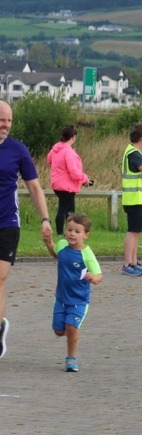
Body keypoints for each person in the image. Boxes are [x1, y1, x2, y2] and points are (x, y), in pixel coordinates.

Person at [0, 100, 52, 359]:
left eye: (8, 120)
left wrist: (45, 219)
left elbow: (33, 187)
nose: (5, 124)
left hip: (7, 223)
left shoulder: (18, 150)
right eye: (1, 119)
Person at [43, 213, 103, 372]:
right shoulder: (62, 245)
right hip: (61, 298)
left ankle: (71, 358)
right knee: (59, 331)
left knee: (71, 328)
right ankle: (71, 336)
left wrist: (93, 278)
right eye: (69, 230)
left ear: (86, 235)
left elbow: (99, 276)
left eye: (77, 231)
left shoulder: (87, 254)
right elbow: (56, 254)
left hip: (79, 301)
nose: (72, 234)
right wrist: (48, 243)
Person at [121, 122, 142, 276]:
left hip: (137, 198)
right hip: (135, 197)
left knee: (136, 232)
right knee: (132, 231)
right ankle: (127, 263)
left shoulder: (135, 153)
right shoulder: (134, 153)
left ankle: (134, 262)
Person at [48, 125, 92, 236]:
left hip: (57, 183)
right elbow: (74, 172)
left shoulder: (55, 149)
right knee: (64, 209)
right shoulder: (69, 152)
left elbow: (49, 160)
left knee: (70, 210)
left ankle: (70, 231)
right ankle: (60, 232)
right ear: (73, 137)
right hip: (67, 185)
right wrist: (85, 179)